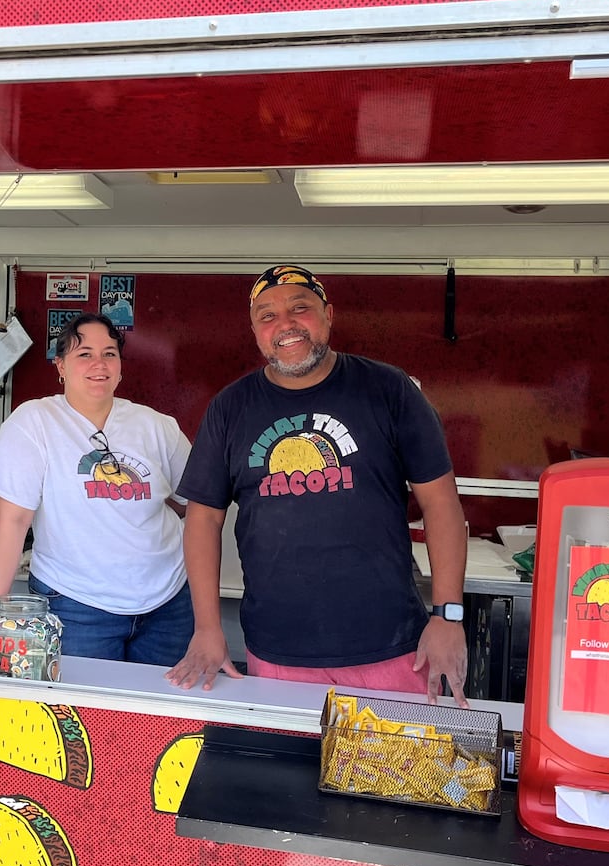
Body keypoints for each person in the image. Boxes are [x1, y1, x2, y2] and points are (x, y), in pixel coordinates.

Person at [167, 265, 468, 701]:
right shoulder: (230, 408)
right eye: (267, 316)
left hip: (391, 646)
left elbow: (440, 503)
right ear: (255, 332)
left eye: (300, 308)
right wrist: (208, 628)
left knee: (395, 771)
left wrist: (448, 615)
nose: (284, 324)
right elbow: (202, 519)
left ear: (328, 314)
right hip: (278, 651)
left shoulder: (388, 389)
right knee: (290, 769)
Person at [0, 313, 195, 664]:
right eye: (85, 354)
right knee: (83, 714)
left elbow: (193, 504)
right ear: (60, 365)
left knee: (160, 714)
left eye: (110, 353)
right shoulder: (34, 421)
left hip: (167, 604)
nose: (99, 364)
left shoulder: (157, 426)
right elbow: (14, 521)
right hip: (75, 605)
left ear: (121, 367)